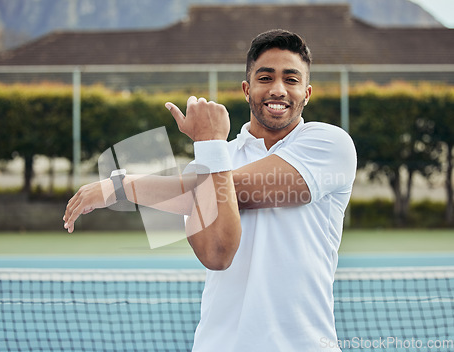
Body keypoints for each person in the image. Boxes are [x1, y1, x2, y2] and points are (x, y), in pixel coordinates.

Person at [63, 29, 356, 351]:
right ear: (247, 89)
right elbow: (215, 254)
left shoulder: (329, 143)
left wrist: (121, 185)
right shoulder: (214, 159)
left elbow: (232, 190)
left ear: (307, 92)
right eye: (265, 78)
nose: (277, 89)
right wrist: (210, 151)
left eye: (291, 79)